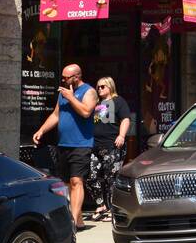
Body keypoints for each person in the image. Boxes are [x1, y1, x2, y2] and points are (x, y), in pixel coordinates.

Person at [32, 63, 97, 230]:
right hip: (63, 144)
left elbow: (86, 112)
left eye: (66, 77)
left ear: (77, 77)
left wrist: (71, 97)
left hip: (81, 144)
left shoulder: (89, 92)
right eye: (62, 77)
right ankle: (80, 220)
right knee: (67, 183)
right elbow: (55, 115)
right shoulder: (63, 93)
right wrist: (41, 130)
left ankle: (72, 221)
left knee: (77, 181)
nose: (63, 80)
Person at [87, 77, 131, 221]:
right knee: (92, 177)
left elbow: (125, 119)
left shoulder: (118, 101)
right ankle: (101, 205)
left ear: (110, 87)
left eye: (103, 87)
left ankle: (113, 209)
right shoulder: (97, 104)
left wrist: (121, 135)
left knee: (111, 178)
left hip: (112, 145)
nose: (99, 89)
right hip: (96, 146)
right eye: (98, 87)